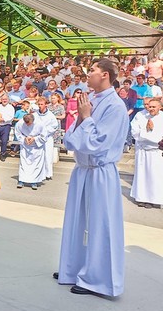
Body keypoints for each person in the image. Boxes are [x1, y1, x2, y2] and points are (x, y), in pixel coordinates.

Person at [56, 58, 128, 297]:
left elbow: (97, 144)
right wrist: (80, 118)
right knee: (76, 222)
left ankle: (98, 280)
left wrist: (85, 118)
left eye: (93, 70)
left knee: (100, 225)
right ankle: (73, 268)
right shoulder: (92, 99)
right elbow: (72, 141)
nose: (88, 74)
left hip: (100, 171)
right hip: (82, 170)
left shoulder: (115, 106)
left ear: (106, 75)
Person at [129, 99, 163, 208]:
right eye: (149, 106)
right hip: (143, 150)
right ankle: (142, 198)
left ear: (159, 107)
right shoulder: (140, 116)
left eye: (153, 107)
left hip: (156, 152)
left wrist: (152, 135)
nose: (150, 108)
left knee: (155, 176)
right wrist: (145, 132)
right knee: (142, 176)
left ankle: (155, 199)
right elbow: (135, 131)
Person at [34, 97, 59, 180]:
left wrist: (45, 132)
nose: (40, 106)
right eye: (39, 104)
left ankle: (48, 174)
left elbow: (54, 126)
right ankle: (38, 173)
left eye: (42, 104)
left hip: (47, 138)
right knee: (37, 155)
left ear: (46, 105)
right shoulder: (35, 114)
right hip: (37, 138)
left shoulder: (51, 115)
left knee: (48, 156)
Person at [0, 94, 15, 161]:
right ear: (1, 100)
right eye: (3, 99)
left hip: (6, 126)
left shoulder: (11, 107)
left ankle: (3, 154)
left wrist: (3, 119)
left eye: (5, 99)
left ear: (8, 100)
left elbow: (11, 116)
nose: (4, 100)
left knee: (4, 141)